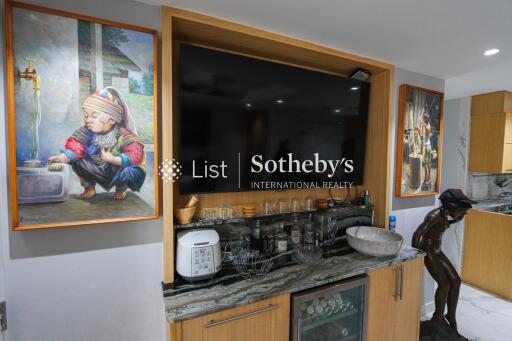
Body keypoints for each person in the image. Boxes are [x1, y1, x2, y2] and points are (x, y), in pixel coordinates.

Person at [48, 87, 146, 200]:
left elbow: (135, 156)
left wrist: (113, 159)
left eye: (94, 116)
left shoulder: (125, 135)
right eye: (86, 115)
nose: (88, 120)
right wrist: (63, 157)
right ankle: (89, 188)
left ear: (112, 120)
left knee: (129, 170)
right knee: (77, 160)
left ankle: (121, 189)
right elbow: (76, 145)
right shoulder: (85, 131)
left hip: (117, 170)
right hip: (98, 170)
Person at [412, 189, 476, 336]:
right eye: (460, 211)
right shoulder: (433, 216)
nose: (461, 214)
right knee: (444, 284)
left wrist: (455, 220)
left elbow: (441, 226)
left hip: (438, 252)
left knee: (456, 281)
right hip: (429, 252)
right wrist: (415, 256)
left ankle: (450, 316)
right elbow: (418, 233)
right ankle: (438, 315)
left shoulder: (444, 215)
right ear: (451, 207)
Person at [420, 111, 432, 190]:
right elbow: (423, 133)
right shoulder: (427, 125)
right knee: (427, 164)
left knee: (426, 164)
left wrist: (422, 121)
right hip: (427, 146)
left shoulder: (427, 126)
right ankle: (428, 178)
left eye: (425, 118)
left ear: (426, 119)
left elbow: (427, 130)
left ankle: (426, 179)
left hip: (426, 147)